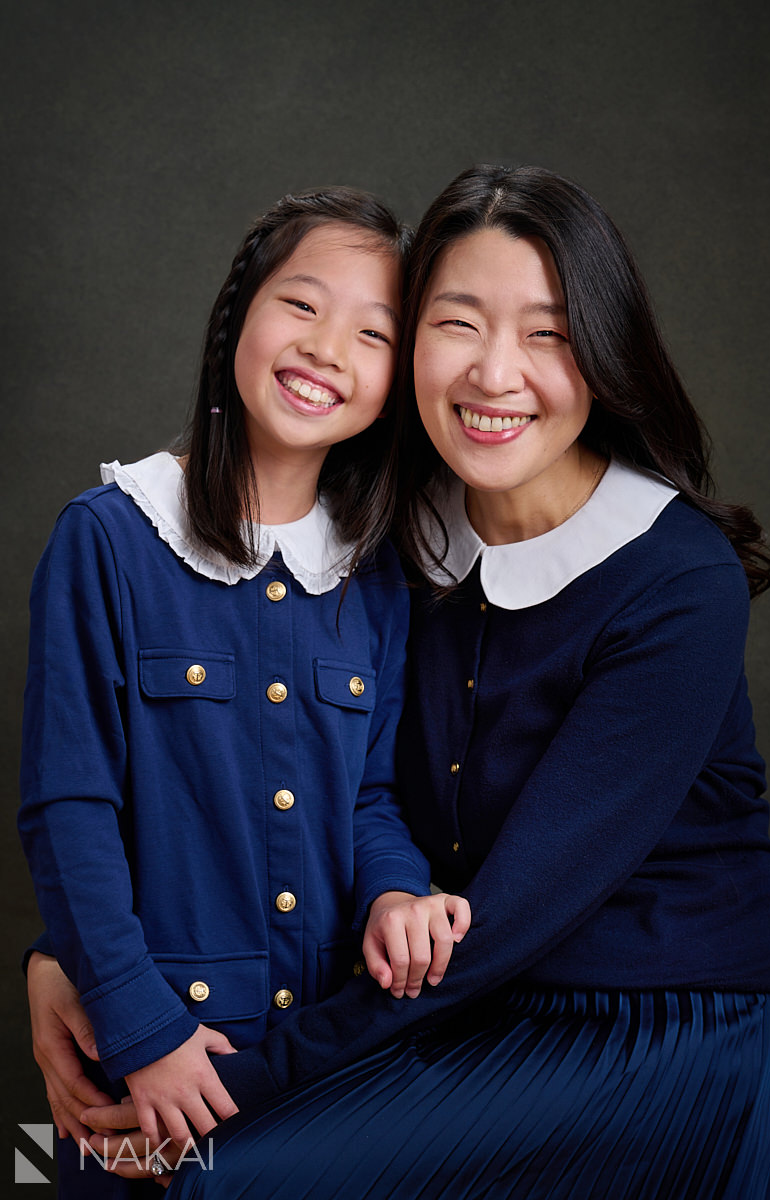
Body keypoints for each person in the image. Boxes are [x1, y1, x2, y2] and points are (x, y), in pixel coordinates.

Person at [32, 165, 770, 1198]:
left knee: (212, 1174)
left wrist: (240, 1085)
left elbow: (505, 911)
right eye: (456, 323)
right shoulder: (384, 541)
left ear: (605, 354)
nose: (494, 374)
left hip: (655, 1018)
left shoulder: (673, 582)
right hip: (456, 1005)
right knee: (67, 1163)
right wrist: (70, 965)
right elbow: (195, 780)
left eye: (547, 332)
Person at [18, 185, 471, 1199]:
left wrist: (396, 888)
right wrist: (141, 1029)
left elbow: (366, 798)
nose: (326, 349)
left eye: (372, 333)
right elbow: (68, 809)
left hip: (324, 1054)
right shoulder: (107, 538)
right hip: (151, 1052)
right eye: (300, 305)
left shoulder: (378, 578)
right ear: (238, 313)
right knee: (60, 1171)